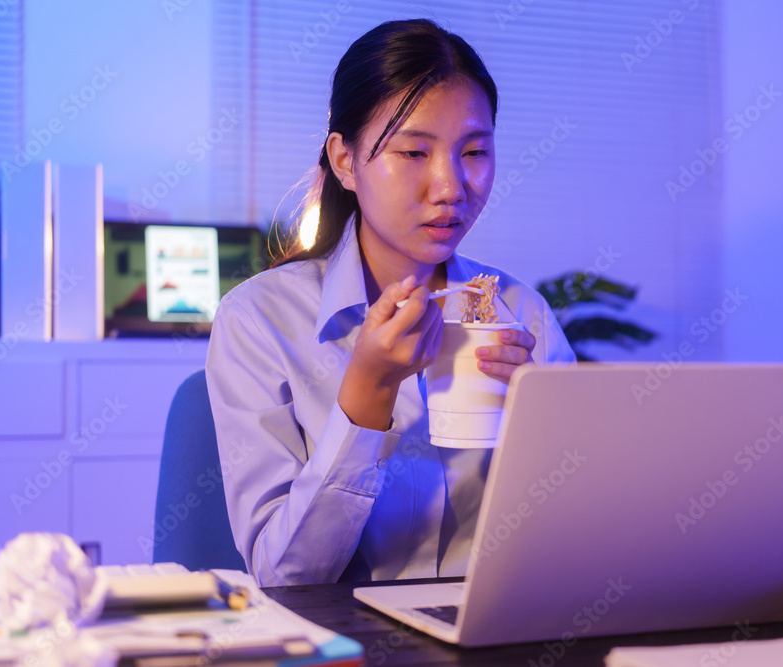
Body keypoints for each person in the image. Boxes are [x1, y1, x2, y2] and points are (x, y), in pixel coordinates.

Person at [206, 18, 576, 587]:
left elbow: (584, 547)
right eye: (413, 153)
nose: (451, 186)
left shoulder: (522, 316)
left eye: (474, 151)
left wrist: (545, 435)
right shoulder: (259, 321)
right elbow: (286, 576)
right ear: (346, 161)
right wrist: (368, 394)